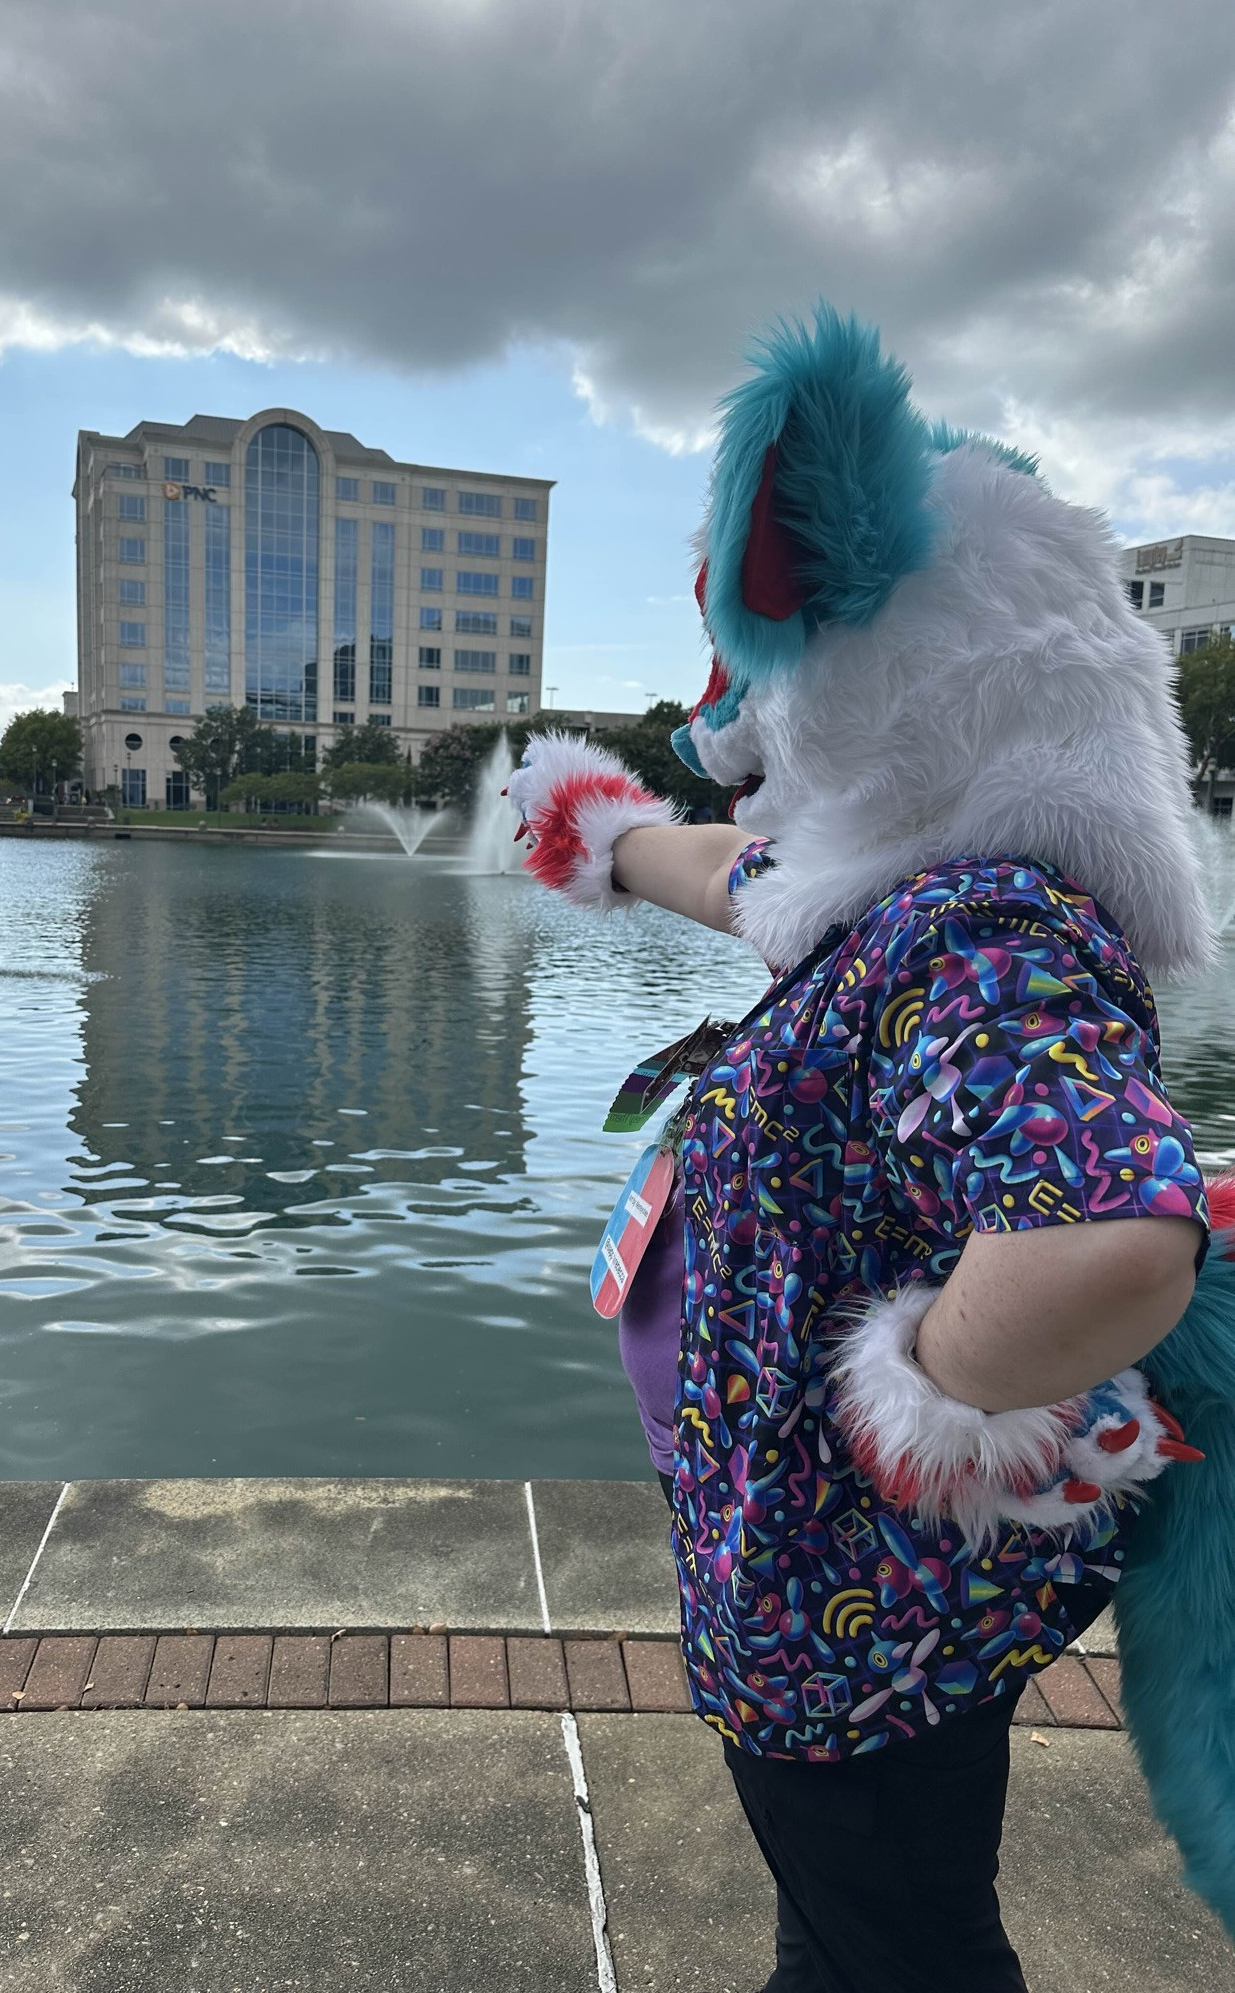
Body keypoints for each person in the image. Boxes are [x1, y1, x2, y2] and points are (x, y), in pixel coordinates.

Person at [507, 306, 1211, 1993]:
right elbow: (741, 882)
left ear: (887, 684)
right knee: (851, 1943)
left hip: (861, 1628)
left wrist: (931, 1400)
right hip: (819, 1615)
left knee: (908, 1956)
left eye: (774, 698)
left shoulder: (979, 931)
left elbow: (1108, 1233)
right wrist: (600, 838)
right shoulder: (901, 904)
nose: (740, 743)